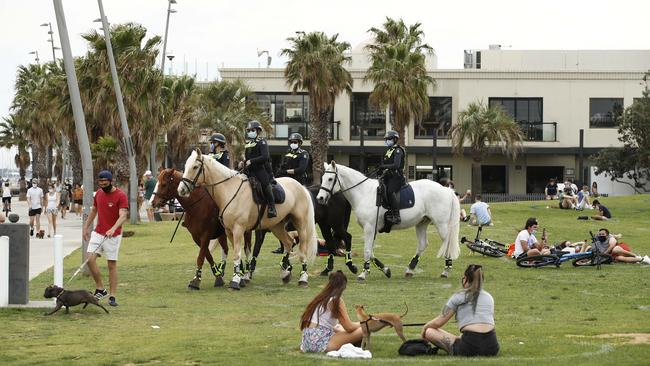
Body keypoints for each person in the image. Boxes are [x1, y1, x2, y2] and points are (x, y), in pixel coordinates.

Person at [421, 264, 499, 357]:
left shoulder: (458, 296)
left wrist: (425, 328)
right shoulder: (489, 297)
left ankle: (457, 348)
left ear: (465, 279)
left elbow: (439, 321)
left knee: (429, 331)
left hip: (469, 348)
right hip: (492, 346)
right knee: (462, 337)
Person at [82, 170, 129, 307]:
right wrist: (86, 227)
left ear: (111, 181)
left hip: (113, 235)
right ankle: (100, 289)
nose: (102, 184)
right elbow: (94, 210)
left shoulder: (120, 195)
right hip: (98, 233)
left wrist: (113, 228)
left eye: (105, 182)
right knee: (90, 259)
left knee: (111, 265)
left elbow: (123, 215)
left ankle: (112, 295)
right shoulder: (98, 194)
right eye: (100, 182)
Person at [299, 271, 362, 353]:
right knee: (364, 329)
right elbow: (349, 327)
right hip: (320, 342)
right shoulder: (336, 300)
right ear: (343, 286)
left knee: (338, 327)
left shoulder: (321, 297)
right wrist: (364, 322)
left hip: (307, 342)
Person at [271, 132, 310, 254]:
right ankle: (283, 245)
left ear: (300, 143)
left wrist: (286, 171)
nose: (293, 144)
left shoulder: (304, 154)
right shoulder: (288, 153)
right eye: (292, 142)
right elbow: (281, 167)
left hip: (298, 184)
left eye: (295, 142)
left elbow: (301, 169)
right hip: (287, 185)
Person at [243, 120, 277, 218]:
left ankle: (272, 207)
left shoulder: (262, 141)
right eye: (248, 131)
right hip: (249, 171)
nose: (250, 132)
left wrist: (251, 161)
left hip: (260, 169)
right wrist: (244, 162)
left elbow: (265, 156)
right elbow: (247, 158)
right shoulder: (248, 144)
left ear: (258, 131)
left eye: (252, 130)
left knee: (265, 185)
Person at [378, 130, 405, 231]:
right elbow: (386, 166)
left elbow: (396, 165)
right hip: (389, 177)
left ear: (394, 139)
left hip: (397, 177)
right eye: (386, 139)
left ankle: (396, 215)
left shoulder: (398, 150)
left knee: (390, 191)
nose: (387, 141)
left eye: (388, 139)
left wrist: (383, 166)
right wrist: (380, 170)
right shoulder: (389, 151)